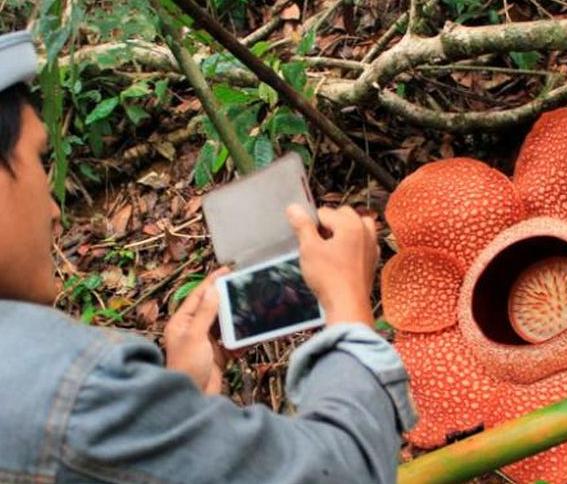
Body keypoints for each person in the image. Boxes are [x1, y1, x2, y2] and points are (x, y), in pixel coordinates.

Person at [0, 31, 416, 483]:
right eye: (41, 158)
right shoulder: (74, 396)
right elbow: (342, 472)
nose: (54, 211)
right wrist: (349, 312)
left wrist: (175, 408)